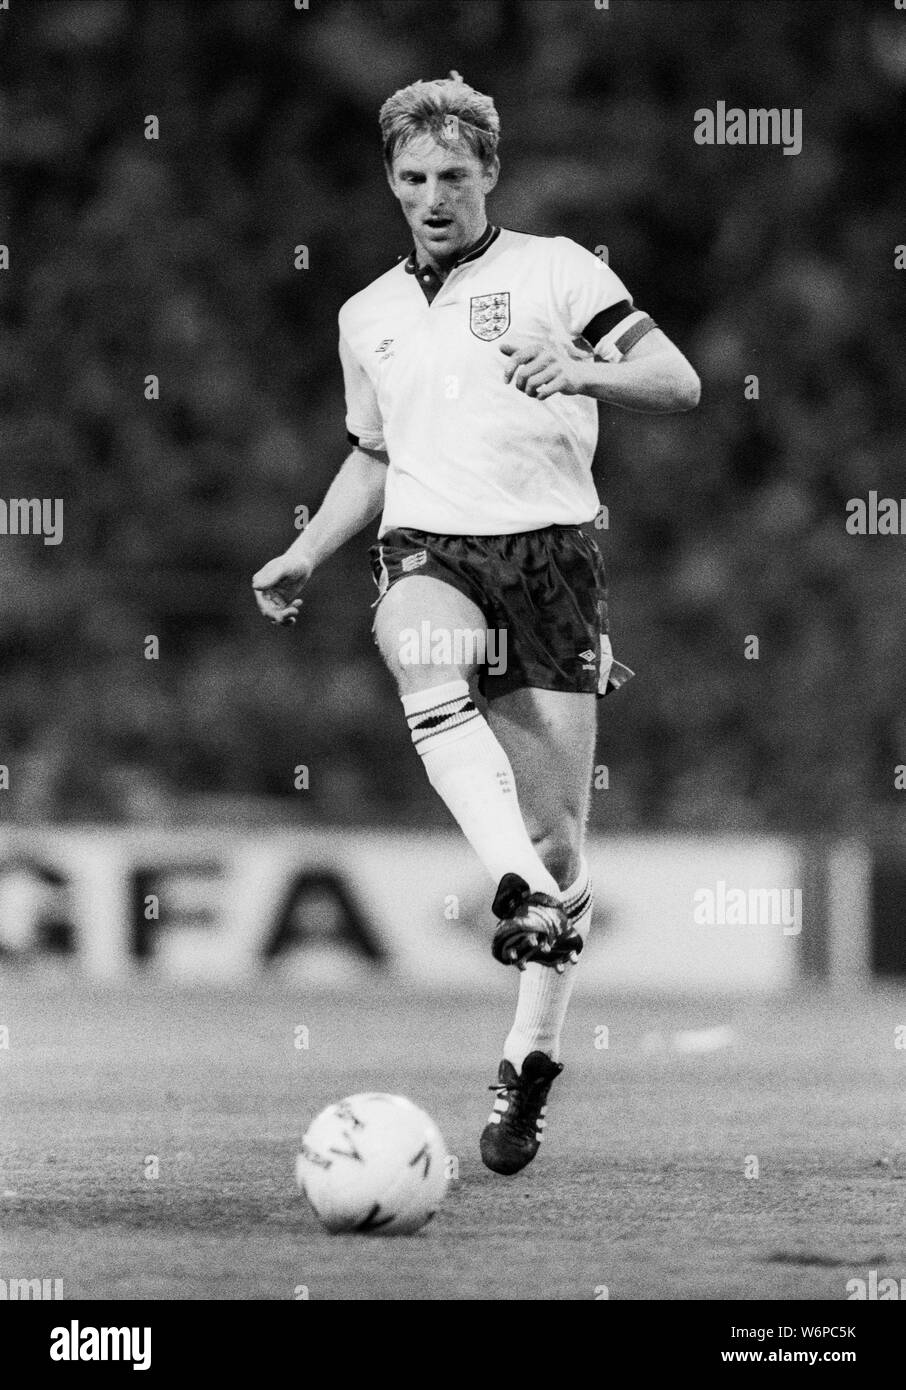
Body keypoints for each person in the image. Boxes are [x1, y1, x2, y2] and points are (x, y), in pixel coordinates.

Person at [253, 73, 700, 1175]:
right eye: (413, 178)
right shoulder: (367, 314)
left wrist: (585, 367)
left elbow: (681, 383)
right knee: (418, 643)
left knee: (561, 847)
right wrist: (310, 548)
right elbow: (374, 451)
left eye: (455, 175)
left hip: (553, 563)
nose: (434, 196)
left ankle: (527, 1063)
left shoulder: (558, 268)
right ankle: (513, 894)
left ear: (490, 172)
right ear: (391, 181)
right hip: (432, 550)